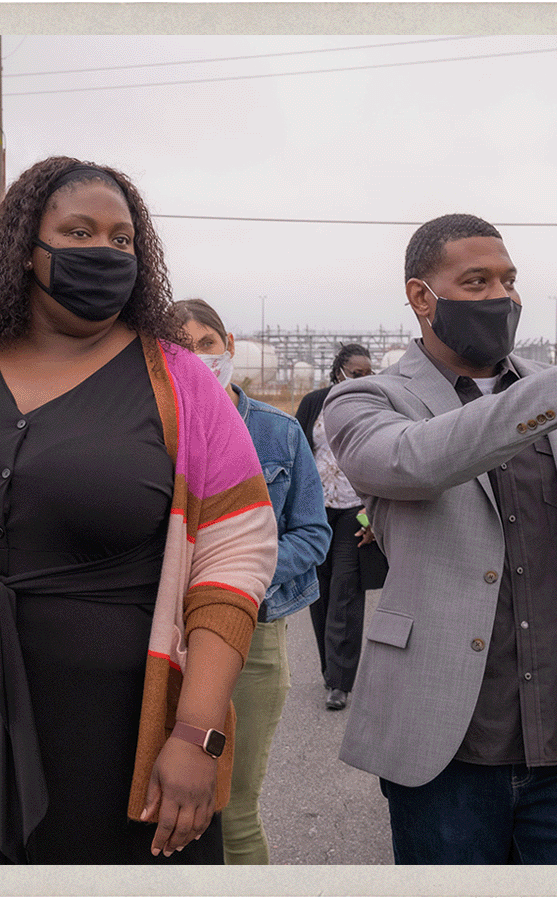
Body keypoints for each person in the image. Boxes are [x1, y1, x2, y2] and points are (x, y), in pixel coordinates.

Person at [0, 156, 278, 864]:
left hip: (110, 729)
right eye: (79, 231)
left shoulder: (180, 382)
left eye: (122, 240)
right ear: (23, 249)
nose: (104, 251)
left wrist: (196, 734)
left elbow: (233, 562)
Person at [322, 213, 557, 864]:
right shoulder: (365, 402)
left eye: (508, 280)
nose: (500, 297)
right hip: (445, 750)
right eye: (475, 282)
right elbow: (422, 461)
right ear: (422, 297)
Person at [172, 298, 332, 865]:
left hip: (252, 637)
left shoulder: (278, 432)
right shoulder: (153, 427)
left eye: (205, 344)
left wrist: (236, 578)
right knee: (163, 806)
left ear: (229, 345)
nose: (195, 357)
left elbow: (313, 534)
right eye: (178, 347)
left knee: (232, 812)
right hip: (161, 638)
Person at [293, 343, 388, 711]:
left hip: (354, 511)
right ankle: (328, 668)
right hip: (316, 511)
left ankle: (341, 682)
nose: (363, 379)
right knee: (321, 590)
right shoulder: (313, 403)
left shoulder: (375, 406)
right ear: (339, 373)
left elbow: (382, 461)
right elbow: (298, 456)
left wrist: (376, 517)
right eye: (356, 373)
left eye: (369, 374)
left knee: (347, 590)